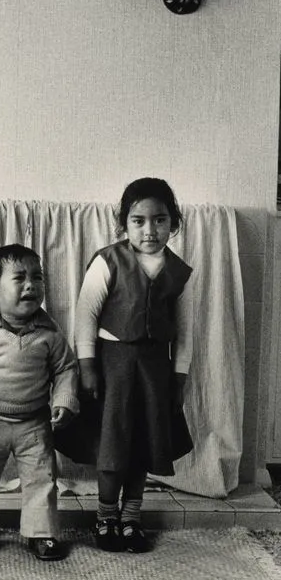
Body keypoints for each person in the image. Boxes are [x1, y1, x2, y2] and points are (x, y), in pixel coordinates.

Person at [74, 178, 194, 554]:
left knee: (142, 445)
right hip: (114, 368)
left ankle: (130, 518)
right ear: (123, 223)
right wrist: (88, 366)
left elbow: (185, 332)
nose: (149, 230)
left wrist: (179, 378)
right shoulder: (108, 261)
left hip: (156, 371)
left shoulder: (178, 272)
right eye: (138, 220)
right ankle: (105, 518)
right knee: (113, 446)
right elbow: (85, 317)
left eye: (159, 220)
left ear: (173, 223)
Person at [0, 244, 79, 561]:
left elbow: (66, 368)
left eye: (37, 277)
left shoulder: (49, 333)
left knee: (41, 479)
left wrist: (64, 400)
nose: (31, 285)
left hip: (34, 423)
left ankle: (42, 532)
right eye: (19, 278)